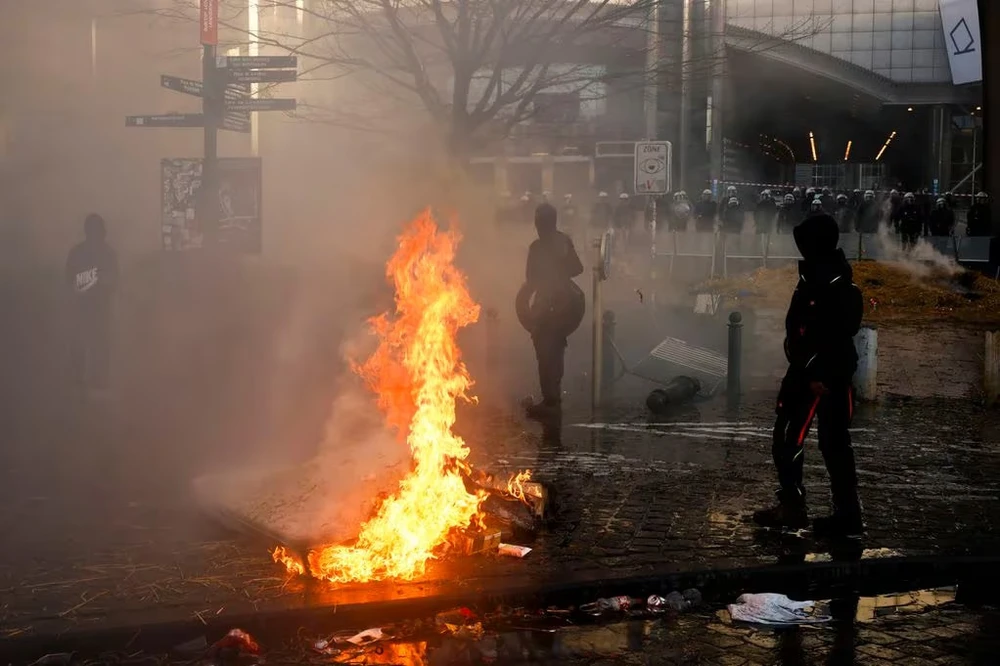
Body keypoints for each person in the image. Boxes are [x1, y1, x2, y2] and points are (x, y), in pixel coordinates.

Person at [753, 213, 864, 537]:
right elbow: (801, 327)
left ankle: (845, 515)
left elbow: (835, 332)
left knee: (829, 444)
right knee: (789, 438)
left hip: (824, 378)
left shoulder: (836, 284)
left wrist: (815, 371)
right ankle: (794, 505)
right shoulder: (815, 277)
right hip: (805, 372)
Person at [523, 203, 584, 419]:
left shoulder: (537, 247)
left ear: (539, 223)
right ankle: (553, 398)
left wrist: (549, 278)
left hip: (548, 306)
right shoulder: (564, 240)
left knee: (544, 349)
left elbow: (530, 278)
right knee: (556, 348)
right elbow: (578, 268)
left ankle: (550, 402)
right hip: (568, 304)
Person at [66, 213, 119, 393]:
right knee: (81, 345)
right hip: (85, 308)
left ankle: (98, 382)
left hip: (99, 309)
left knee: (100, 347)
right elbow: (70, 280)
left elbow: (115, 281)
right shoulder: (79, 253)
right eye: (99, 230)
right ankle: (81, 383)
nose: (103, 233)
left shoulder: (107, 254)